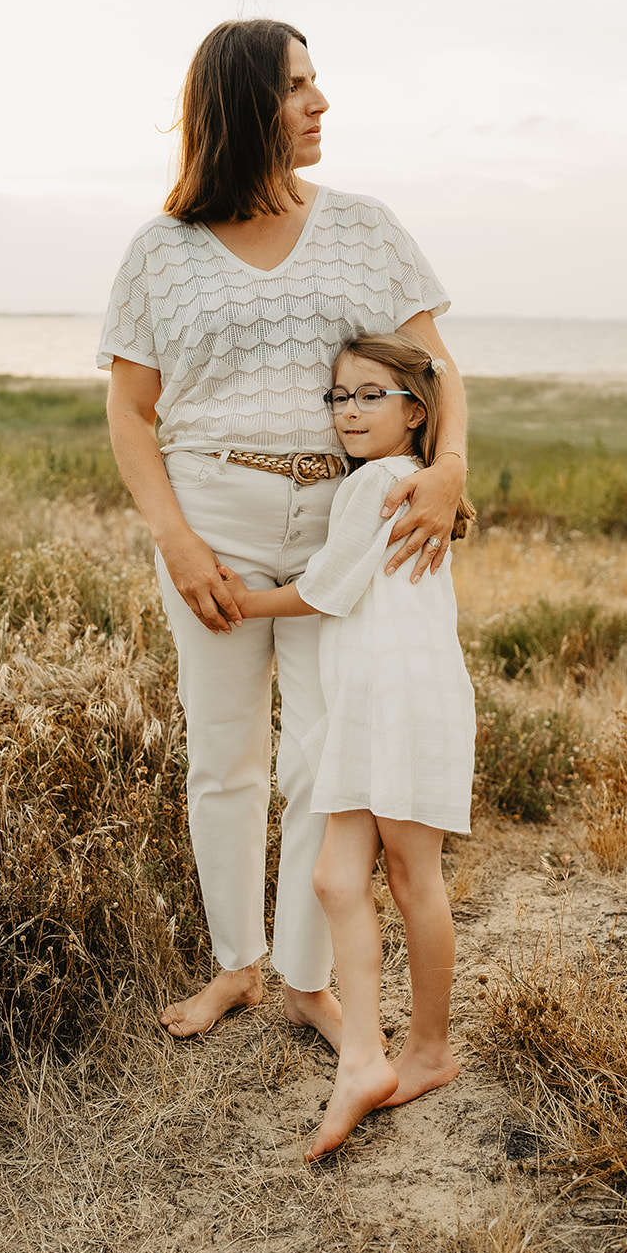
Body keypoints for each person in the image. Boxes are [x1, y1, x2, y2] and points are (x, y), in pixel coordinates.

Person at [98, 18, 469, 1047]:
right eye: (297, 86)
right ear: (239, 105)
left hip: (341, 526)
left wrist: (444, 471)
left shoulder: (365, 225)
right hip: (210, 514)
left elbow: (436, 372)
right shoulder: (157, 252)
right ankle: (236, 964)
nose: (319, 104)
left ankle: (307, 974)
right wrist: (175, 541)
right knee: (223, 756)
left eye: (317, 82)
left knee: (320, 758)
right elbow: (131, 415)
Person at [218, 333, 476, 1159]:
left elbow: (326, 589)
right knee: (336, 877)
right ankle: (363, 1056)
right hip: (368, 696)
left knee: (410, 875)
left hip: (401, 697)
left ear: (414, 410)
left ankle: (428, 1050)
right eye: (338, 396)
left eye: (371, 395)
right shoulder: (399, 481)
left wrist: (234, 604)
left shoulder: (381, 483)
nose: (349, 411)